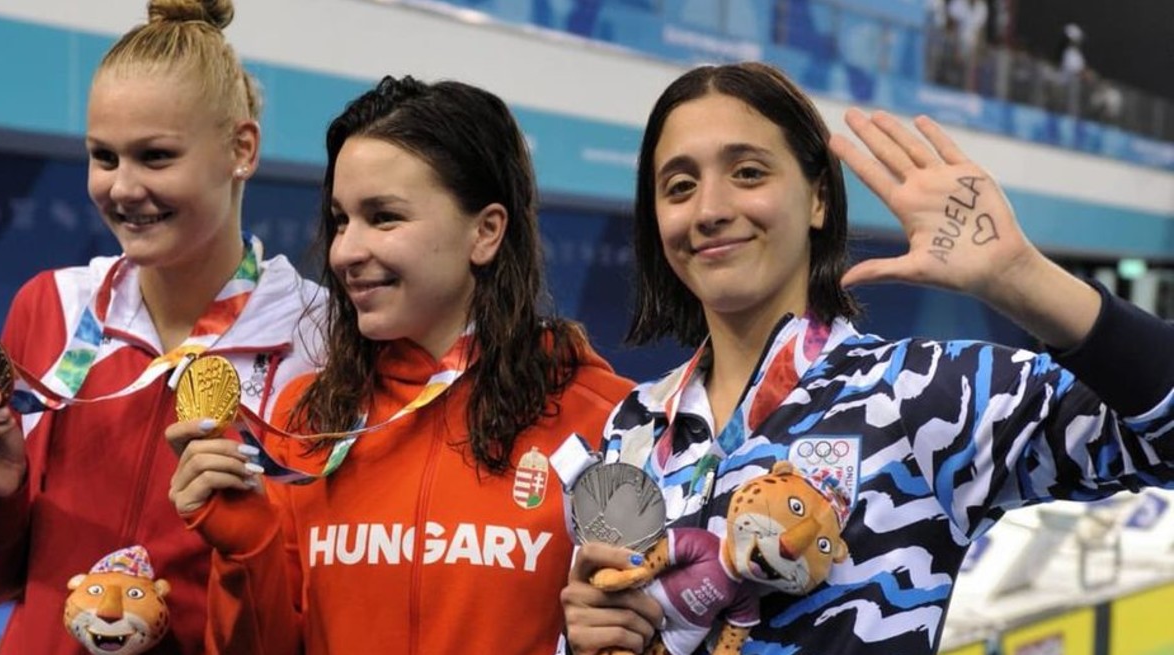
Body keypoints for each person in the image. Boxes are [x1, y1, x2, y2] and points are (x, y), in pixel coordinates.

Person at [560, 62, 1174, 655]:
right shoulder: (638, 422)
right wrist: (590, 635)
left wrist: (1021, 278)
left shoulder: (921, 393)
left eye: (748, 173)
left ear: (819, 200)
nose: (710, 208)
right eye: (680, 185)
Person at [166, 75, 634, 654]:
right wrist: (247, 551)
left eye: (383, 217)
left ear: (485, 232)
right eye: (341, 220)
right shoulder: (306, 424)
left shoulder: (609, 423)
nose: (345, 252)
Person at [0, 1, 326, 653]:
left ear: (242, 148)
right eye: (104, 156)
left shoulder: (318, 333)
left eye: (155, 156)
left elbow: (311, 604)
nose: (122, 188)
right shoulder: (51, 306)